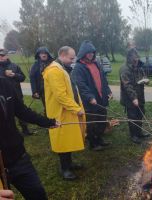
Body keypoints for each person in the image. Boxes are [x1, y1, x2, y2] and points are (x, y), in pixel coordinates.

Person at [0, 77, 58, 199]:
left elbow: (21, 110)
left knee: (37, 193)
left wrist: (46, 122)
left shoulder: (3, 83)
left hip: (17, 156)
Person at [42, 46, 85, 180]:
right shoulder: (54, 71)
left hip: (68, 110)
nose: (73, 61)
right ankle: (64, 168)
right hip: (60, 112)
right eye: (71, 58)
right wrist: (76, 108)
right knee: (62, 140)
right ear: (62, 55)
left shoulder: (62, 68)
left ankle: (69, 163)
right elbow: (60, 96)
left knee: (69, 139)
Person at [72, 41, 112, 151]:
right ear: (83, 53)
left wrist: (108, 90)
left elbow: (103, 79)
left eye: (92, 52)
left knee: (102, 120)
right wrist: (90, 97)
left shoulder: (97, 63)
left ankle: (99, 139)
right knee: (92, 123)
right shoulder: (79, 68)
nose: (90, 54)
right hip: (90, 101)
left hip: (101, 99)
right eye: (88, 52)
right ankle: (93, 143)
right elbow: (81, 85)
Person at [120, 48, 150, 144]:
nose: (136, 61)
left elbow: (144, 76)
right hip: (129, 98)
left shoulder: (139, 67)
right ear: (129, 59)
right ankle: (134, 135)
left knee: (140, 114)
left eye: (137, 58)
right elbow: (127, 85)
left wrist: (146, 80)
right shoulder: (125, 69)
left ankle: (139, 132)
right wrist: (134, 98)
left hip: (140, 95)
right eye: (134, 59)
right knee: (132, 116)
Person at [0, 49, 32, 136]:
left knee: (21, 112)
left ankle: (25, 130)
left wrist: (14, 75)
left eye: (3, 55)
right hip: (3, 97)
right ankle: (11, 132)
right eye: (0, 56)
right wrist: (3, 73)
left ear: (7, 56)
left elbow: (22, 77)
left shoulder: (14, 66)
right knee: (7, 115)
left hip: (17, 94)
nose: (1, 57)